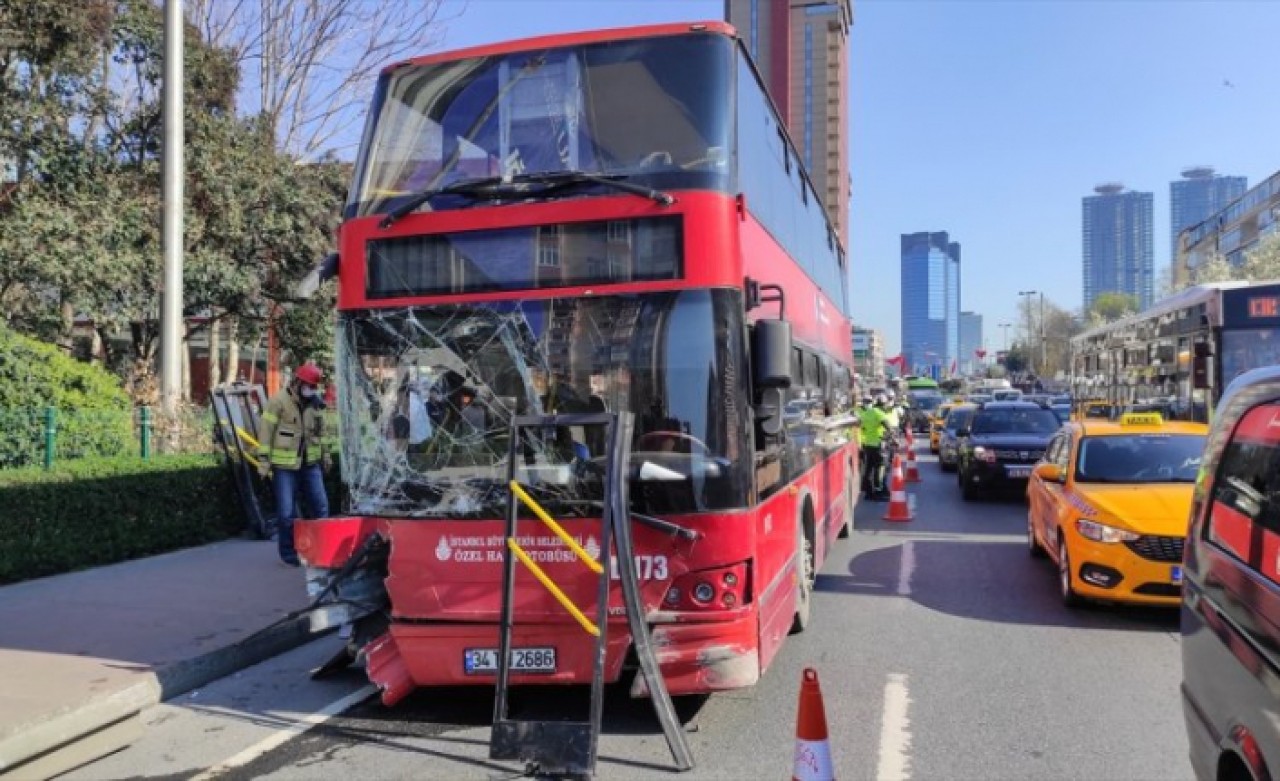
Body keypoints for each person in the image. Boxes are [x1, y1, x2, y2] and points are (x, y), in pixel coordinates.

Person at [258, 361, 331, 566]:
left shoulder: (316, 404)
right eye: (309, 385)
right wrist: (263, 463)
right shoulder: (278, 401)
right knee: (285, 514)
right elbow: (265, 433)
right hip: (284, 468)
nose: (312, 389)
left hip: (310, 465)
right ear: (298, 382)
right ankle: (289, 555)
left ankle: (321, 550)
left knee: (321, 508)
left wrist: (325, 456)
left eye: (314, 386)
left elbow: (322, 433)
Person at [858, 395, 891, 500]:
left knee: (868, 469)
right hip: (878, 445)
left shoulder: (866, 413)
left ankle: (868, 493)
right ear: (883, 404)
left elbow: (862, 427)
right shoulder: (879, 413)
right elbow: (888, 427)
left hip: (868, 445)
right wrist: (892, 437)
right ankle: (878, 492)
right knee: (879, 468)